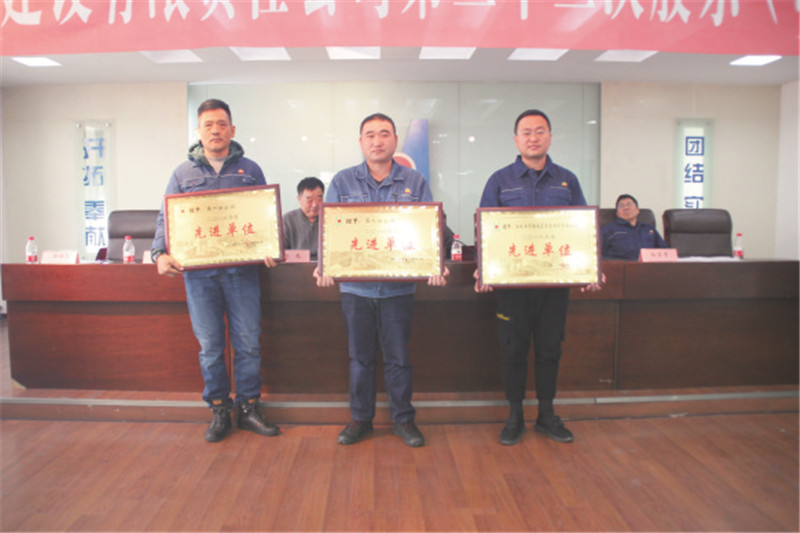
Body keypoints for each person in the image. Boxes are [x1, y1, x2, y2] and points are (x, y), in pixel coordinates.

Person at [314, 113, 448, 448]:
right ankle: (361, 419)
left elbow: (431, 228)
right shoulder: (343, 182)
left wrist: (436, 262)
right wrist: (324, 264)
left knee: (399, 358)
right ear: (361, 142)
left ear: (395, 141)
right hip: (355, 289)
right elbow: (329, 229)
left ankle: (403, 419)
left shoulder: (414, 181)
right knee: (360, 358)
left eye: (384, 134)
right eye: (370, 135)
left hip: (398, 288)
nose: (377, 141)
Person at [151, 98, 280, 443]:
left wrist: (271, 246)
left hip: (242, 274)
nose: (215, 130)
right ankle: (220, 409)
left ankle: (249, 407)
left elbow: (265, 216)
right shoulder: (183, 174)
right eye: (208, 125)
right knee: (210, 345)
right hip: (199, 276)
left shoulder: (250, 170)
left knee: (248, 342)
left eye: (222, 124)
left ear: (232, 129)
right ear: (199, 131)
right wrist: (159, 253)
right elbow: (166, 218)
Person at [475, 109, 603, 446]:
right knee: (513, 350)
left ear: (550, 137)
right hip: (512, 286)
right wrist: (484, 268)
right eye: (526, 132)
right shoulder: (499, 180)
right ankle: (514, 416)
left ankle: (547, 415)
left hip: (554, 286)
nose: (533, 137)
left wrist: (590, 267)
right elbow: (484, 228)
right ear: (516, 140)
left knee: (549, 349)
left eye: (540, 131)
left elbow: (583, 229)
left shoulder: (567, 180)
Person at [601, 194, 667, 260]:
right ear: (617, 213)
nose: (626, 208)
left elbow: (665, 251)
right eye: (621, 206)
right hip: (621, 265)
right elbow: (598, 255)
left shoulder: (649, 229)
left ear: (638, 210)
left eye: (629, 204)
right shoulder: (609, 229)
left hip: (648, 265)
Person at [283, 176, 325, 260]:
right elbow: (280, 252)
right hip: (296, 266)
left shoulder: (329, 218)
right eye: (309, 200)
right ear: (299, 199)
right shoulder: (288, 220)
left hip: (324, 265)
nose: (315, 205)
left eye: (319, 199)